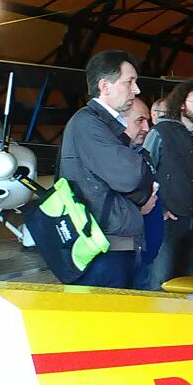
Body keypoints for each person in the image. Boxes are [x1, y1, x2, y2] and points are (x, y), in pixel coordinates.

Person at [58, 50, 157, 288]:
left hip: (118, 244)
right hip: (104, 248)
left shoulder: (105, 125)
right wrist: (142, 197)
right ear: (105, 86)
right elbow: (130, 175)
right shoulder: (87, 123)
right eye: (129, 82)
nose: (137, 90)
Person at [143, 80, 193, 290]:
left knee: (191, 283)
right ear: (182, 105)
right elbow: (145, 172)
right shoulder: (161, 132)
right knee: (160, 279)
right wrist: (160, 208)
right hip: (168, 220)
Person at [124, 98, 167, 291]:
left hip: (145, 253)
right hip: (128, 254)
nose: (147, 127)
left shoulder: (142, 154)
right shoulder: (117, 158)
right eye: (139, 120)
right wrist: (138, 209)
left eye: (148, 121)